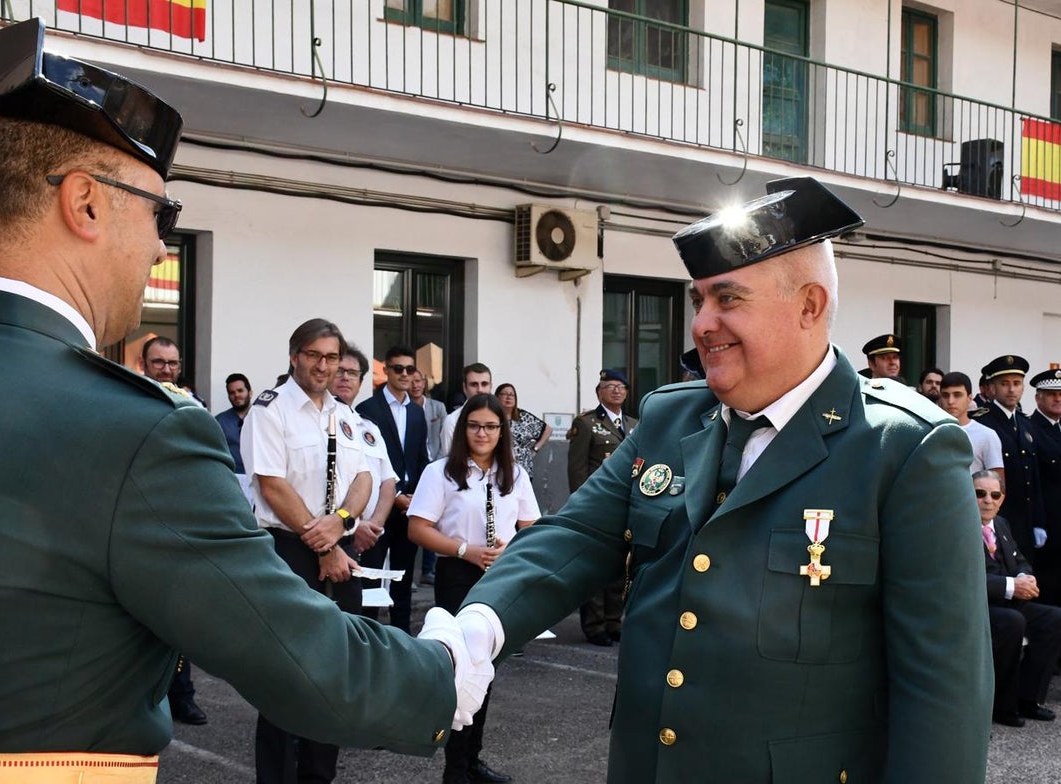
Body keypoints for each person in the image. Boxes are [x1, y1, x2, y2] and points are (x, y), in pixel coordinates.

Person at [0, 20, 487, 779]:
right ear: (84, 204)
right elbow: (307, 668)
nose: (158, 247)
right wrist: (449, 664)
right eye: (160, 213)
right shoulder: (135, 431)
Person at [423, 176, 994, 781]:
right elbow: (575, 537)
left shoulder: (903, 449)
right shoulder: (673, 416)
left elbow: (942, 690)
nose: (702, 324)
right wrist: (476, 631)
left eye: (728, 299)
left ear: (809, 305)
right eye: (700, 301)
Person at [242, 318, 380, 784]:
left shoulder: (343, 414)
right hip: (288, 551)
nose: (324, 366)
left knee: (334, 675)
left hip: (336, 544)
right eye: (314, 355)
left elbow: (364, 479)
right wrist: (322, 543)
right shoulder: (270, 410)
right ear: (294, 356)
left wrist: (339, 525)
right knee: (286, 674)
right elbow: (271, 484)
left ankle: (319, 777)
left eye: (332, 357)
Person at [408, 395, 538, 784]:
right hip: (457, 573)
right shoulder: (441, 472)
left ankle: (469, 761)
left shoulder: (515, 475)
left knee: (487, 671)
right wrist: (467, 550)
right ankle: (455, 768)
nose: (483, 434)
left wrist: (508, 549)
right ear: (463, 429)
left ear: (503, 431)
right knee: (462, 671)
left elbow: (531, 527)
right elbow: (418, 528)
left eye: (492, 427)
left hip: (500, 575)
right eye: (475, 425)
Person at [139, 335, 208, 726]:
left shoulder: (191, 406)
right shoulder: (129, 400)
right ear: (143, 364)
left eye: (172, 363)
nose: (166, 370)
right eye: (158, 362)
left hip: (179, 525)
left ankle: (183, 696)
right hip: (141, 522)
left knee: (180, 618)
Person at [976, 469, 1061, 727]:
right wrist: (1013, 585)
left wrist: (1027, 577)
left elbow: (1020, 560)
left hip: (1008, 602)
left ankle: (1028, 698)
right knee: (1012, 622)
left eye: (994, 494)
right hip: (978, 607)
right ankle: (1002, 706)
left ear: (1002, 499)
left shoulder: (1001, 524)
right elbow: (966, 577)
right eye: (979, 494)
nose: (987, 500)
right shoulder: (957, 530)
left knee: (1053, 618)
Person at [356, 346, 431, 633]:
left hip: (410, 507)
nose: (403, 374)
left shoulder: (416, 413)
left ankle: (401, 636)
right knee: (371, 576)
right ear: (386, 370)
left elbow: (421, 458)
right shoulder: (367, 410)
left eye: (409, 369)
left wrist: (420, 498)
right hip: (378, 506)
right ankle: (367, 636)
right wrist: (397, 496)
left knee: (403, 575)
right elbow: (366, 463)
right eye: (397, 368)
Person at [566, 369, 636, 646]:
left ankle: (612, 621)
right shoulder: (586, 424)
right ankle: (594, 625)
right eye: (610, 386)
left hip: (626, 505)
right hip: (596, 506)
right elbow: (577, 468)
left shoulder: (634, 424)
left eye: (621, 387)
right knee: (594, 566)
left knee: (621, 565)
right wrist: (582, 505)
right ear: (599, 392)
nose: (617, 391)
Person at [972, 355, 1048, 560]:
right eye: (1004, 384)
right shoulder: (983, 422)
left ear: (1023, 388)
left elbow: (1034, 478)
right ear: (993, 388)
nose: (1011, 389)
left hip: (1025, 519)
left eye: (1016, 383)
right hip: (996, 518)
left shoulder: (1025, 424)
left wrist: (1038, 521)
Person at [331, 348, 396, 560]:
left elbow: (388, 482)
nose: (345, 378)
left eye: (353, 373)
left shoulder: (369, 428)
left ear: (361, 382)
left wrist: (374, 526)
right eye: (340, 371)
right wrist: (353, 525)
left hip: (371, 538)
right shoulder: (319, 422)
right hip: (336, 537)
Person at [411, 367, 452, 583]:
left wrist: (434, 463)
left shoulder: (437, 407)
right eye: (413, 381)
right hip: (414, 470)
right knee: (416, 522)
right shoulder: (405, 409)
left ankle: (428, 570)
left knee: (433, 522)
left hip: (434, 465)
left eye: (420, 381)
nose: (416, 385)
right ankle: (411, 576)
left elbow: (444, 437)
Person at [1029, 367, 1061, 606]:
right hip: (1049, 522)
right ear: (1038, 397)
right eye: (1051, 394)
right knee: (1050, 588)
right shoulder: (1031, 429)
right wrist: (1039, 522)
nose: (1057, 398)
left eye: (1060, 394)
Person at [937, 371, 1003, 477]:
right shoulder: (930, 433)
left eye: (957, 395)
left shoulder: (987, 435)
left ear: (970, 398)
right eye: (945, 395)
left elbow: (997, 484)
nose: (950, 401)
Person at [495, 383, 550, 479]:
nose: (508, 397)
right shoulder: (491, 417)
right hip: (498, 470)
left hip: (523, 470)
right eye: (504, 394)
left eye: (512, 394)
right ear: (497, 397)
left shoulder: (523, 417)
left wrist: (535, 449)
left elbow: (547, 430)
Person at [440, 364, 494, 456]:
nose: (480, 390)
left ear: (491, 386)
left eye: (484, 384)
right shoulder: (452, 421)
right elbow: (448, 461)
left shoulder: (500, 417)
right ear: (465, 388)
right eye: (474, 384)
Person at [216, 372, 253, 500]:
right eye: (232, 393)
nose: (236, 395)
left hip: (259, 481)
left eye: (240, 390)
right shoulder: (219, 421)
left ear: (250, 392)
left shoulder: (262, 417)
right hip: (231, 482)